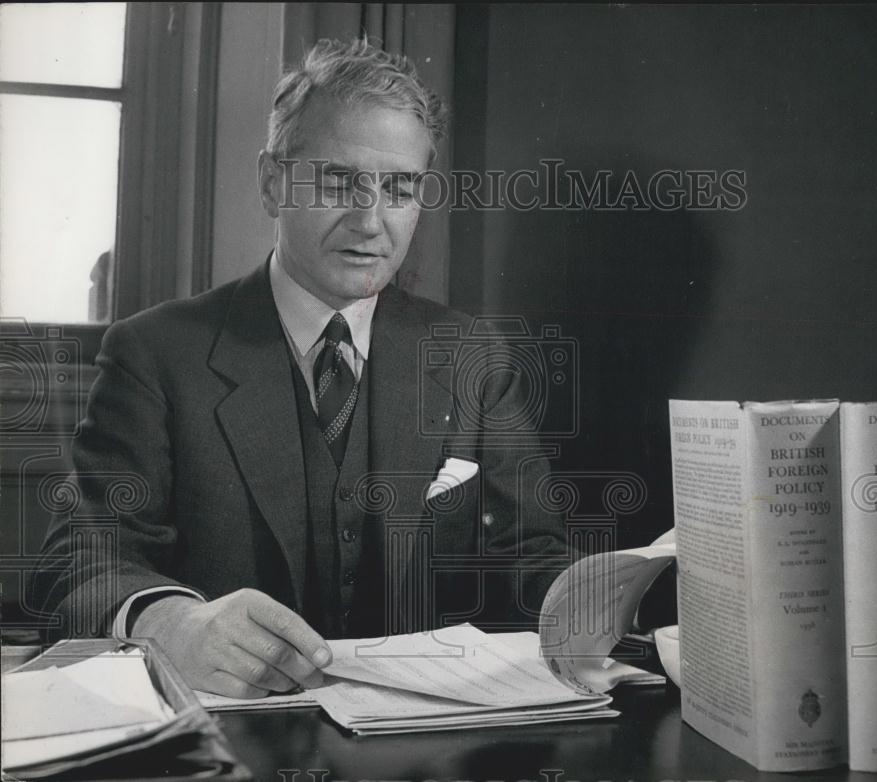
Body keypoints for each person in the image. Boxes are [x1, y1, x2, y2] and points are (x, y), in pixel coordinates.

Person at [30, 38, 568, 699]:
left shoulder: (473, 359)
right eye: (339, 182)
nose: (371, 221)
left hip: (422, 751)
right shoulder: (156, 353)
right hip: (233, 737)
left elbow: (533, 558)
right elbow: (79, 558)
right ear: (271, 183)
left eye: (398, 188)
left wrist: (589, 601)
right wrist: (169, 621)